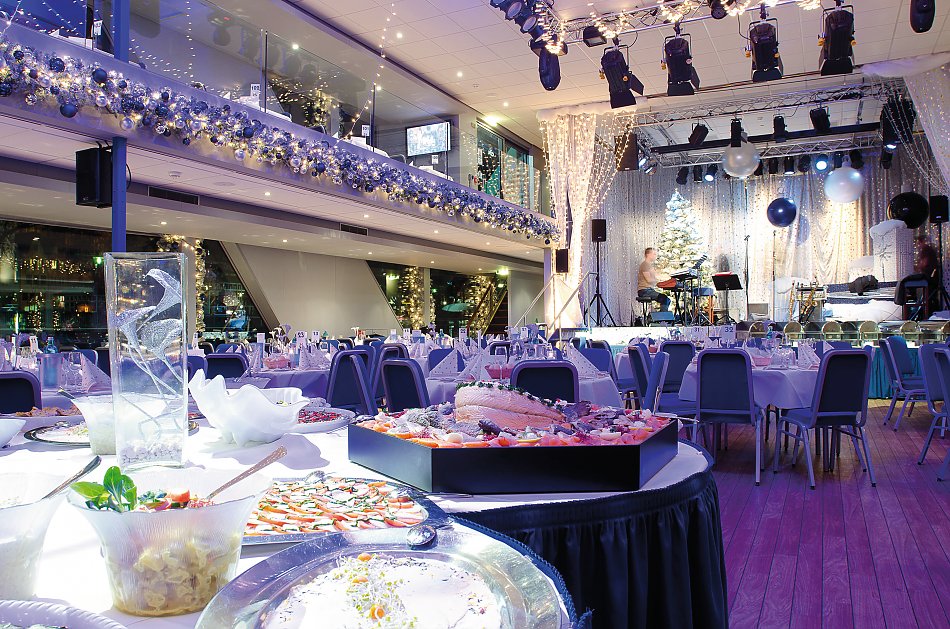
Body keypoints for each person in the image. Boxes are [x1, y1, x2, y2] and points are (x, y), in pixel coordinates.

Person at [638, 247, 671, 311]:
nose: (656, 256)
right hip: (644, 291)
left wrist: (666, 279)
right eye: (654, 254)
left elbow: (656, 277)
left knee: (667, 300)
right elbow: (649, 280)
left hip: (648, 290)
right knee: (664, 299)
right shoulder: (645, 265)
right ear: (648, 254)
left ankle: (662, 316)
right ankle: (662, 317)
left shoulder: (649, 265)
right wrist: (659, 282)